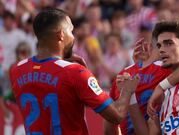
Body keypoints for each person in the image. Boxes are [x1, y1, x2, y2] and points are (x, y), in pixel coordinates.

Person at [9, 8, 140, 135]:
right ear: (61, 34)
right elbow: (116, 115)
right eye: (71, 31)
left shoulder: (16, 70)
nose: (73, 37)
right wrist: (127, 91)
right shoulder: (75, 73)